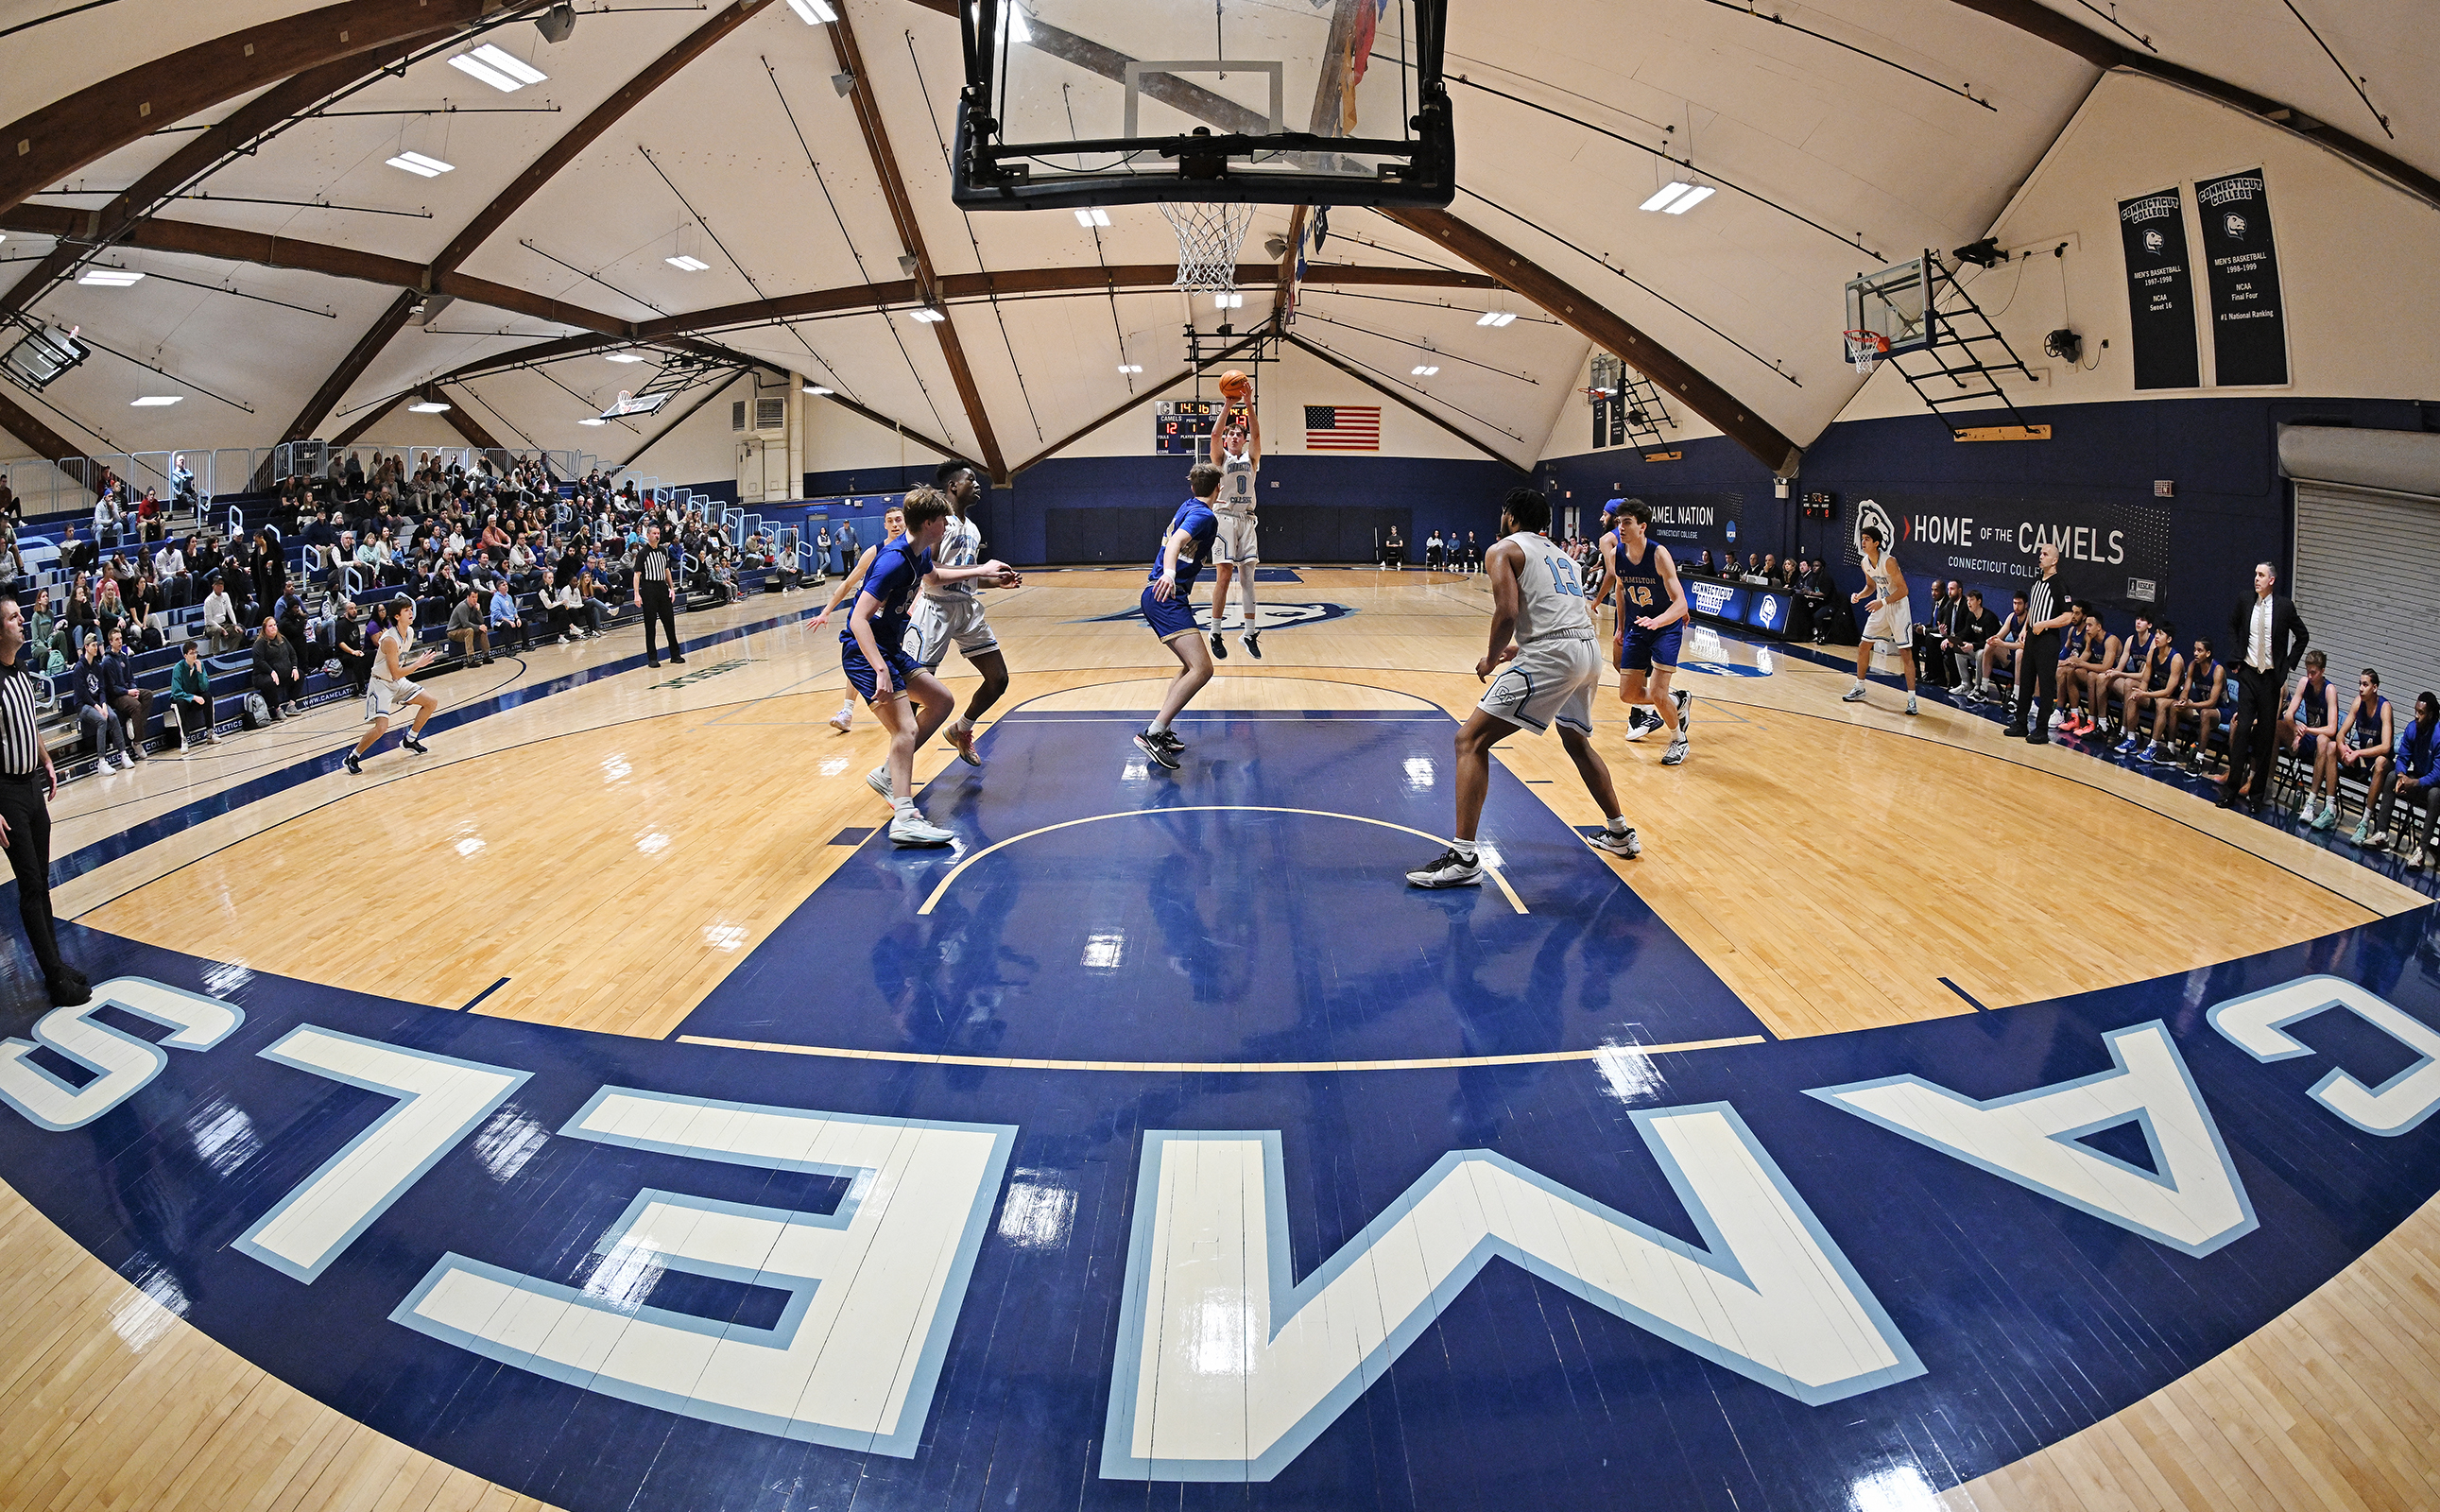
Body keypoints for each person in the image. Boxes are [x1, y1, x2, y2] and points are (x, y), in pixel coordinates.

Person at [1408, 488, 1641, 887]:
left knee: (1470, 740)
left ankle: (1464, 858)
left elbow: (1507, 612)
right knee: (1577, 742)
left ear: (1511, 516)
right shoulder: (1562, 555)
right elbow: (1561, 613)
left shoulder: (1503, 549)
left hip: (1557, 656)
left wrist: (1490, 655)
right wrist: (1519, 651)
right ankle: (1619, 833)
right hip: (1587, 651)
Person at [844, 490, 1012, 844]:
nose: (949, 525)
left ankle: (890, 775)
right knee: (904, 730)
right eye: (944, 520)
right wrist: (879, 668)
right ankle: (904, 817)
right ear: (930, 524)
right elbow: (858, 619)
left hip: (890, 647)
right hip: (866, 653)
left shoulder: (917, 554)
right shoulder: (893, 561)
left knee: (941, 701)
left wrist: (984, 570)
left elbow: (934, 578)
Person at [0, 596, 86, 1006]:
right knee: (31, 885)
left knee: (44, 883)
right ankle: (54, 978)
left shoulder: (20, 670)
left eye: (20, 615)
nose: (21, 621)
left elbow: (26, 725)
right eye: (14, 617)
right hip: (5, 793)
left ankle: (56, 963)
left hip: (31, 784)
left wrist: (46, 758)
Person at [910, 462, 1021, 765]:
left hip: (966, 609)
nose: (977, 485)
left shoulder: (971, 527)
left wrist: (995, 581)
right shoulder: (936, 522)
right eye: (970, 480)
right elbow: (930, 574)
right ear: (953, 487)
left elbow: (964, 574)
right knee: (916, 697)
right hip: (934, 610)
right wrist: (981, 570)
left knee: (998, 679)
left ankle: (961, 729)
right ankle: (894, 768)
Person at [1132, 465, 1226, 771]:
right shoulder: (1204, 516)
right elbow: (1175, 543)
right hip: (1166, 597)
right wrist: (1170, 574)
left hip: (1164, 597)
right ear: (1219, 489)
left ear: (1192, 488)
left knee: (1189, 665)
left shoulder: (1188, 505)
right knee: (1203, 668)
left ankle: (1163, 729)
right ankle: (1153, 733)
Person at [1601, 498, 1693, 765]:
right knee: (1628, 694)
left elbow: (1681, 603)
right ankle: (1678, 700)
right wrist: (1620, 626)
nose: (1621, 528)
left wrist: (1660, 620)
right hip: (1638, 626)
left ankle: (1679, 740)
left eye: (1627, 523)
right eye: (1618, 523)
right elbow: (1620, 588)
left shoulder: (1658, 554)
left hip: (1665, 627)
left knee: (1658, 692)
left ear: (1642, 527)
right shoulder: (1616, 555)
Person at [2219, 560, 2310, 816]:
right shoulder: (2245, 600)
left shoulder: (2284, 607)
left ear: (2272, 580)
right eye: (2255, 574)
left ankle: (2257, 795)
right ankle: (2231, 789)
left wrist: (2288, 665)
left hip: (2270, 680)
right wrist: (2236, 656)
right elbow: (2232, 625)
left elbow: (2303, 636)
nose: (2256, 579)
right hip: (2248, 674)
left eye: (2261, 575)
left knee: (2265, 738)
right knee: (2242, 728)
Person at [813, 505, 906, 734]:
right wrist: (826, 611)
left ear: (906, 522)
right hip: (868, 617)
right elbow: (847, 584)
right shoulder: (874, 552)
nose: (895, 525)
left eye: (899, 520)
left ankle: (910, 698)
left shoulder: (914, 551)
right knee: (860, 659)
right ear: (884, 525)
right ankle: (847, 711)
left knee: (900, 660)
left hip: (897, 617)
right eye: (890, 521)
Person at [344, 598, 438, 775]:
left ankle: (410, 740)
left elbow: (397, 673)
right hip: (381, 683)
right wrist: (418, 664)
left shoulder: (409, 632)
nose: (411, 613)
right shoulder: (389, 639)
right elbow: (395, 672)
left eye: (411, 609)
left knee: (431, 702)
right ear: (396, 616)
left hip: (396, 681)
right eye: (406, 610)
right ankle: (353, 756)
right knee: (381, 728)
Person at [1842, 524, 1918, 714]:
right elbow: (1870, 586)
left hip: (1898, 606)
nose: (1863, 541)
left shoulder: (1889, 561)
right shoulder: (1865, 562)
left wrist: (1882, 602)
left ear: (1876, 543)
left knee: (1905, 653)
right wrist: (1859, 595)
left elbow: (1904, 590)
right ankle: (1859, 687)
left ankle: (1912, 700)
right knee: (1863, 646)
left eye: (1867, 539)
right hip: (1881, 606)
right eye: (1863, 538)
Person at [1205, 424, 1263, 661]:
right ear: (1227, 439)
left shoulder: (1252, 458)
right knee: (1225, 575)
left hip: (1247, 519)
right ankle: (1215, 632)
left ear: (1245, 440)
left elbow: (1258, 435)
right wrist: (1229, 403)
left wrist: (1249, 401)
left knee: (1248, 577)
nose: (1235, 437)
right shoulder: (1221, 458)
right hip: (1225, 518)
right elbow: (1214, 435)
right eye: (1232, 434)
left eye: (1240, 434)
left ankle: (1249, 634)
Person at [2005, 541, 2071, 742]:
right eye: (2040, 553)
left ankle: (2041, 729)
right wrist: (2026, 629)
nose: (2040, 556)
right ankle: (2020, 723)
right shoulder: (2036, 581)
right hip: (2032, 637)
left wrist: (2046, 624)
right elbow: (2033, 608)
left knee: (2045, 684)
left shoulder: (2059, 584)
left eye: (2045, 554)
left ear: (2055, 560)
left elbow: (2067, 616)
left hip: (2048, 639)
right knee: (2026, 680)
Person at [2365, 692, 2440, 864]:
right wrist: (2401, 776)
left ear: (2430, 715)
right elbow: (2403, 758)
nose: (2416, 716)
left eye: (2420, 713)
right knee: (2391, 776)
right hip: (2417, 780)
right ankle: (2382, 834)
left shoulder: (2438, 735)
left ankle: (2421, 850)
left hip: (2433, 785)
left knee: (2436, 795)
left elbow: (2437, 774)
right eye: (2415, 711)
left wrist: (2414, 782)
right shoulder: (2412, 728)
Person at [2139, 634, 2225, 769]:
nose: (2195, 653)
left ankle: (2199, 759)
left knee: (2206, 714)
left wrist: (2190, 704)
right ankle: (2171, 750)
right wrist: (2183, 699)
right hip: (2200, 706)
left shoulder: (2218, 670)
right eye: (2195, 650)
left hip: (2220, 711)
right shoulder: (2193, 665)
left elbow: (2212, 702)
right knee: (2175, 705)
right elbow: (2186, 688)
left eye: (2199, 650)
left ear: (2208, 653)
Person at [2336, 668, 2395, 842]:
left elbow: (2385, 747)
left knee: (2381, 762)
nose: (2361, 688)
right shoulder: (2357, 702)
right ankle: (2329, 807)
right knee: (2330, 746)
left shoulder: (2384, 707)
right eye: (2359, 684)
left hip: (2381, 764)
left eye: (2365, 684)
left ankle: (2365, 821)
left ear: (2375, 688)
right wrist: (2344, 749)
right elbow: (2340, 735)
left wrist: (2357, 753)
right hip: (2361, 760)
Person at [2117, 623, 2188, 759]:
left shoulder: (2176, 659)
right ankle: (2131, 739)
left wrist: (2145, 693)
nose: (2156, 636)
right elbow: (2145, 680)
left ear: (2169, 639)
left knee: (2161, 703)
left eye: (2161, 634)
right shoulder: (2152, 653)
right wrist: (2140, 692)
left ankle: (2153, 746)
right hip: (2153, 693)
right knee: (2134, 694)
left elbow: (2168, 691)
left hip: (2172, 698)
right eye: (2156, 633)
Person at [72, 635, 133, 771]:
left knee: (113, 717)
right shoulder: (79, 668)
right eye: (93, 645)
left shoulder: (97, 666)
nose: (96, 648)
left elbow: (102, 689)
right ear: (86, 647)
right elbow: (83, 693)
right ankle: (102, 761)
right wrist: (98, 707)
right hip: (84, 705)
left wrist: (104, 705)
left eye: (96, 645)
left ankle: (123, 754)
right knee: (101, 720)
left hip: (98, 703)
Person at [631, 522, 683, 668]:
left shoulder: (662, 551)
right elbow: (637, 575)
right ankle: (652, 658)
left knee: (669, 622)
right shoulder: (642, 553)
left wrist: (671, 588)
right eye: (654, 533)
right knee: (650, 625)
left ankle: (675, 654)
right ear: (648, 535)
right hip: (648, 589)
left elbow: (667, 571)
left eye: (658, 533)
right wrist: (636, 594)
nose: (657, 536)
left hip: (662, 587)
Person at [99, 628, 150, 759]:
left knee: (148, 695)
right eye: (117, 639)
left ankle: (133, 722)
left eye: (121, 638)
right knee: (136, 706)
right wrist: (128, 692)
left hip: (127, 691)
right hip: (116, 696)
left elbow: (131, 679)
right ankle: (137, 742)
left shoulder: (123, 656)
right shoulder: (107, 661)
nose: (120, 641)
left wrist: (134, 690)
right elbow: (111, 688)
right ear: (110, 642)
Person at [1945, 589, 2000, 696]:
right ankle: (1966, 684)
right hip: (1976, 648)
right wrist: (1952, 639)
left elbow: (1991, 642)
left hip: (1992, 653)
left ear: (1979, 601)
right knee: (1958, 651)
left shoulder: (1989, 618)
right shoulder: (1971, 616)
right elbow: (1965, 632)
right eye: (1968, 600)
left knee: (1980, 654)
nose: (1968, 603)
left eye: (1972, 600)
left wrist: (1973, 646)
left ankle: (1978, 687)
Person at [249, 616, 301, 720]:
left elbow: (293, 654)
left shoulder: (282, 639)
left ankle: (291, 705)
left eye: (274, 625)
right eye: (270, 626)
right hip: (262, 674)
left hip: (282, 672)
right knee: (269, 682)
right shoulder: (259, 644)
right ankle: (278, 709)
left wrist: (294, 667)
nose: (273, 627)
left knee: (300, 674)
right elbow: (259, 661)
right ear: (264, 629)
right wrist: (271, 671)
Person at [168, 641, 217, 750]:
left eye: (196, 652)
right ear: (185, 655)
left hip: (196, 697)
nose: (195, 655)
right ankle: (184, 739)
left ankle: (210, 732)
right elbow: (176, 692)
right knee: (180, 704)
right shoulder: (178, 668)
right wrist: (193, 697)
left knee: (208, 696)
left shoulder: (200, 665)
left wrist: (200, 672)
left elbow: (204, 687)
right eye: (191, 653)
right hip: (182, 699)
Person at [447, 587, 492, 666]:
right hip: (453, 631)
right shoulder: (463, 606)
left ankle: (486, 656)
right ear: (468, 597)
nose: (475, 599)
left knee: (483, 628)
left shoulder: (475, 606)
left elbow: (481, 621)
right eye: (473, 597)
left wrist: (478, 611)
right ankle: (470, 660)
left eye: (476, 597)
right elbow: (465, 624)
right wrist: (478, 627)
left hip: (465, 629)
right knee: (470, 630)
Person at [488, 580, 526, 654]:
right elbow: (497, 615)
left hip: (510, 619)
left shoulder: (509, 597)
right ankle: (508, 649)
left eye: (506, 584)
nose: (506, 586)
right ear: (499, 588)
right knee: (507, 625)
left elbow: (513, 610)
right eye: (503, 585)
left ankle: (526, 644)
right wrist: (509, 621)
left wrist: (517, 618)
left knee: (523, 621)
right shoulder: (496, 599)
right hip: (497, 622)